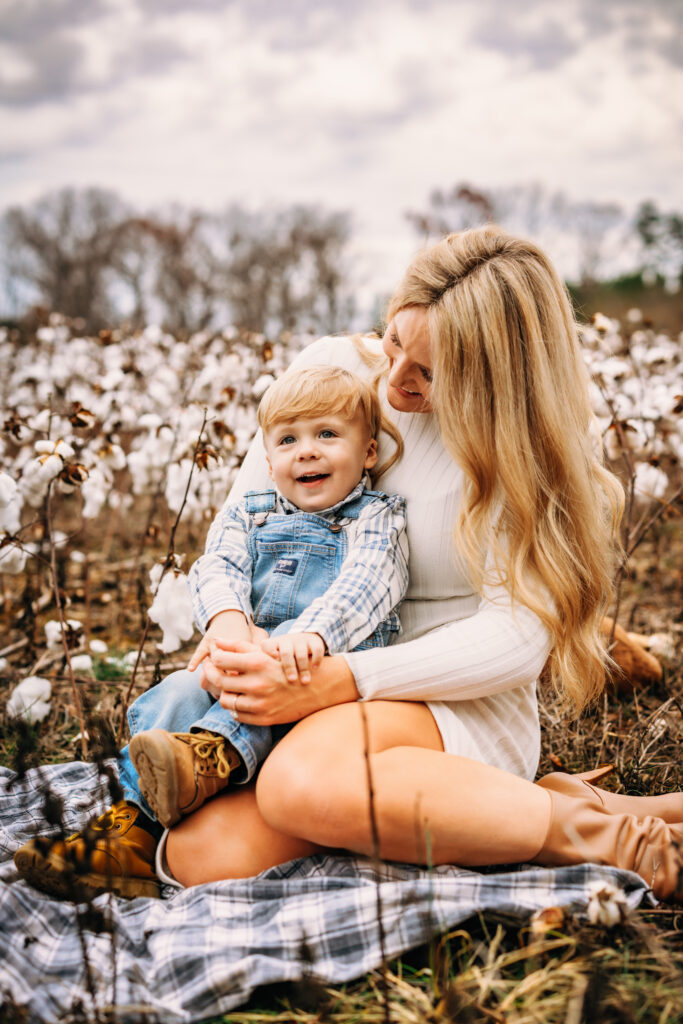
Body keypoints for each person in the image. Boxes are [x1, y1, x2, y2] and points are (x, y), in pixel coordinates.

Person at [16, 226, 683, 905]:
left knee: (299, 785)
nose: (393, 385)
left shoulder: (527, 448)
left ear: (496, 380)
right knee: (196, 856)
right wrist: (230, 629)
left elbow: (515, 639)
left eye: (429, 372)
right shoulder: (332, 369)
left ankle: (612, 841)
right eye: (395, 342)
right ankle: (535, 805)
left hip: (445, 695)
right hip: (298, 670)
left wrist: (341, 680)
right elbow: (246, 519)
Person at [13, 366, 408, 900]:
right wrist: (230, 626)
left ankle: (208, 756)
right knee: (180, 687)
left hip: (316, 677)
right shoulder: (251, 513)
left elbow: (369, 582)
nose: (306, 452)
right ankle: (132, 829)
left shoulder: (377, 519)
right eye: (288, 439)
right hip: (246, 659)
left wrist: (308, 637)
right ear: (268, 461)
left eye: (327, 434)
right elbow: (217, 565)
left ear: (369, 453)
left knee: (279, 642)